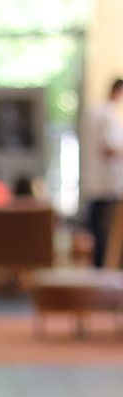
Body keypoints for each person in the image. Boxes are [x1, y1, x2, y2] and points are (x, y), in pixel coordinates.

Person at [82, 77, 123, 266]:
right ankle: (104, 268)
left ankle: (99, 268)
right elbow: (108, 148)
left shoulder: (93, 113)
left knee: (98, 232)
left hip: (96, 183)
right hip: (106, 185)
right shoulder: (106, 115)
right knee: (105, 233)